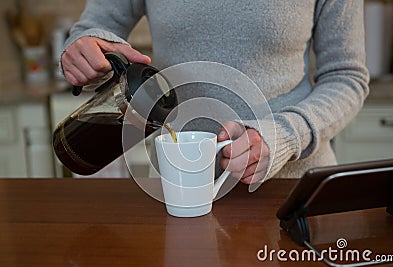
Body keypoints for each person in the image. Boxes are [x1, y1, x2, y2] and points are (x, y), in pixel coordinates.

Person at [61, 0, 369, 184]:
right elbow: (93, 27)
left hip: (291, 188)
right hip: (178, 186)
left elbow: (347, 76)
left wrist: (286, 135)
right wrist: (85, 49)